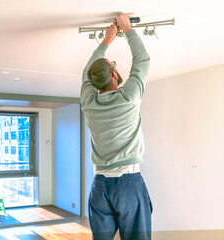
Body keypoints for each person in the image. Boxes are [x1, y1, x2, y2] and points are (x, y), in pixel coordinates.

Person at [81, 13, 153, 240]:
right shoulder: (128, 97)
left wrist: (106, 41)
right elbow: (142, 60)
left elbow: (87, 74)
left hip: (99, 187)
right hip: (127, 184)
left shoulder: (88, 103)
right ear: (114, 73)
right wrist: (127, 29)